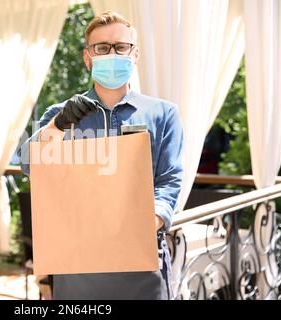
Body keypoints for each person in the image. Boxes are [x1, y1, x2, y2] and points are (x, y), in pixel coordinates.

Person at [17, 10, 183, 300]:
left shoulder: (163, 113)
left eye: (121, 47)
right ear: (87, 57)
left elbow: (169, 182)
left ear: (135, 55)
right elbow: (28, 163)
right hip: (79, 268)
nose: (112, 54)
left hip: (142, 264)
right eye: (102, 48)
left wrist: (143, 224)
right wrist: (58, 126)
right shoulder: (60, 114)